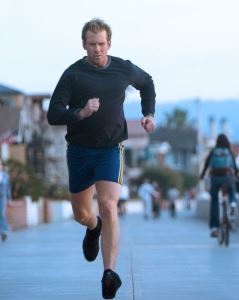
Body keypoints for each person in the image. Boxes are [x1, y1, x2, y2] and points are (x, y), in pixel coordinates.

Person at [47, 18, 156, 299]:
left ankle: (109, 274)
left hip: (111, 148)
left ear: (109, 43)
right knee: (82, 214)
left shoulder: (122, 68)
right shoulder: (73, 75)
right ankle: (93, 228)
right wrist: (80, 113)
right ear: (84, 45)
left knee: (108, 206)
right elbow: (54, 114)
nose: (98, 49)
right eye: (92, 44)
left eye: (102, 44)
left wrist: (148, 113)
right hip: (80, 151)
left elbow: (147, 82)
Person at [200, 134, 238, 238]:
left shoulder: (214, 151)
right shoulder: (229, 151)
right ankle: (233, 202)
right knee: (232, 188)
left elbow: (207, 163)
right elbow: (234, 166)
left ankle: (215, 228)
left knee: (214, 201)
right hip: (227, 176)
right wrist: (236, 176)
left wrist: (202, 175)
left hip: (215, 177)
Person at [0, 161, 12, 242]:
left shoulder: (5, 175)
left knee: (1, 214)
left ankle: (3, 231)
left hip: (2, 198)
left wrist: (9, 199)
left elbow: (8, 188)